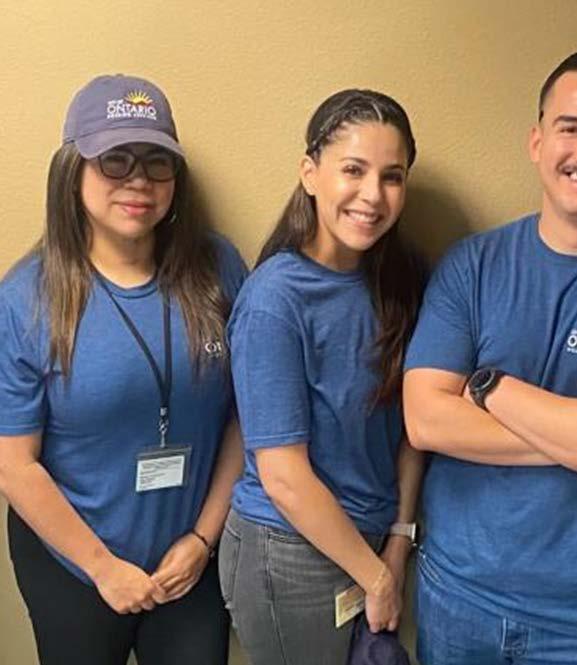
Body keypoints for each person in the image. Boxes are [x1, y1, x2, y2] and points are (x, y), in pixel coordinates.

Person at [0, 74, 246, 665]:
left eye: (157, 162)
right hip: (74, 563)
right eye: (115, 160)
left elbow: (245, 417)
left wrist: (202, 539)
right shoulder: (27, 298)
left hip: (190, 559)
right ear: (73, 170)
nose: (139, 180)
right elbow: (14, 464)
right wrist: (103, 568)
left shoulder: (218, 269)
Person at [219, 89, 425, 665]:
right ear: (310, 174)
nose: (373, 195)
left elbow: (413, 429)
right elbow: (283, 476)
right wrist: (376, 578)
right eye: (353, 170)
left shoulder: (404, 281)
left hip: (373, 543)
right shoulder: (274, 300)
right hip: (289, 553)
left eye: (392, 177)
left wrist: (398, 543)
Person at [404, 52, 577, 664]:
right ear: (537, 142)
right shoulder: (472, 266)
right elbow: (425, 419)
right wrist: (563, 436)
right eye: (570, 128)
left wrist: (491, 387)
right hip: (459, 600)